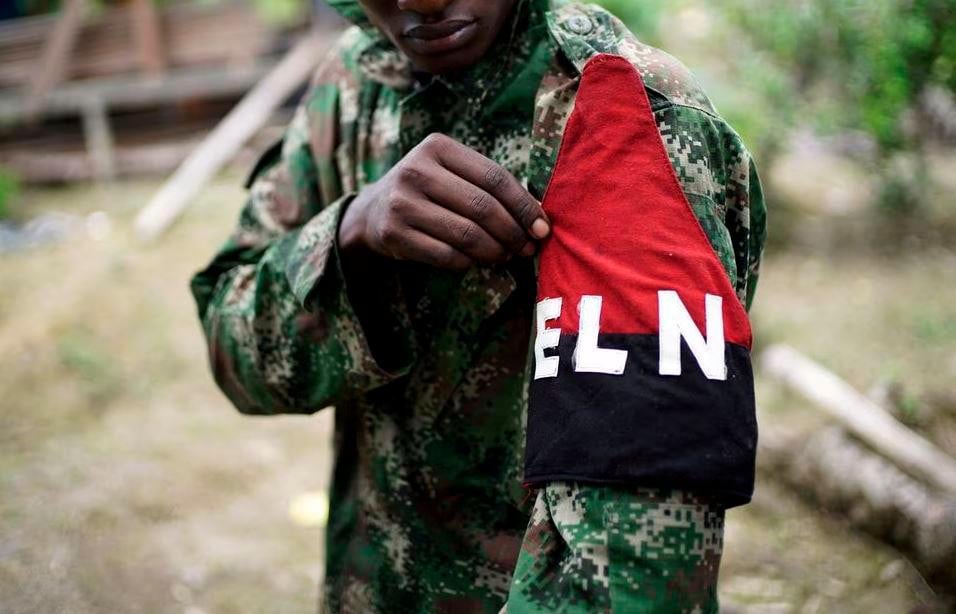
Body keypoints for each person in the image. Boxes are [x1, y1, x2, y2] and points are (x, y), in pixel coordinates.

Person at [190, 0, 767, 611]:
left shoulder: (621, 111)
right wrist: (351, 235)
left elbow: (638, 568)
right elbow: (235, 356)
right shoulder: (356, 78)